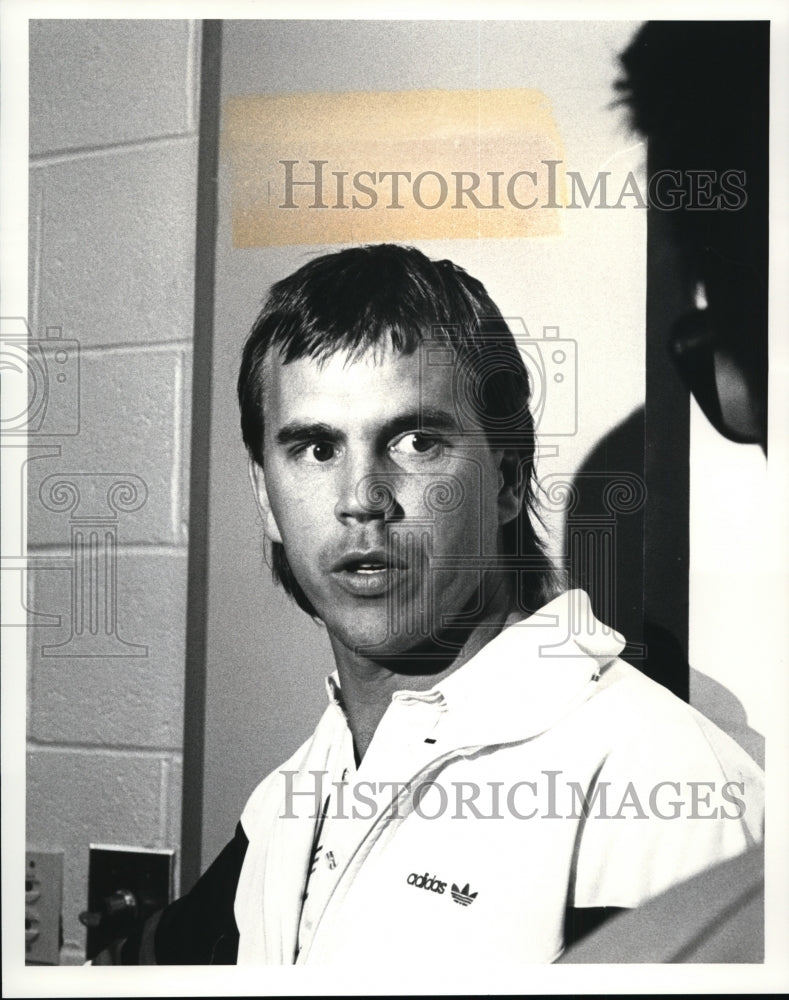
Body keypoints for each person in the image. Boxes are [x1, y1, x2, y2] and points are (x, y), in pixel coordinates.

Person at [102, 243, 763, 965]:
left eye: (415, 441)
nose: (360, 499)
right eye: (317, 449)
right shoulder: (287, 801)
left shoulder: (655, 784)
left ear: (507, 479)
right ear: (265, 498)